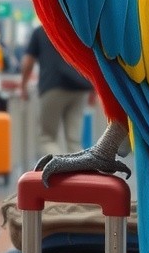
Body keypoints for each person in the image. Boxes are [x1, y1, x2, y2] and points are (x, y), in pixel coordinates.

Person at [20, 24, 94, 156]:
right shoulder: (78, 28)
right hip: (80, 88)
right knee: (73, 139)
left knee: (46, 137)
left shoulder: (41, 31)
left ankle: (60, 168)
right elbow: (92, 59)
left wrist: (23, 86)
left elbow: (28, 62)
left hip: (53, 87)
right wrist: (94, 90)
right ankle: (76, 173)